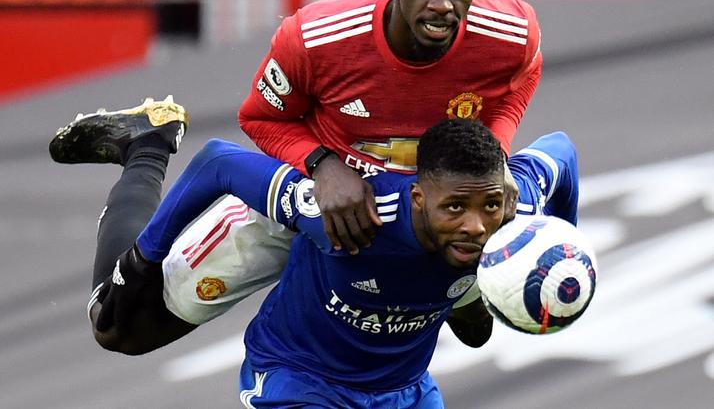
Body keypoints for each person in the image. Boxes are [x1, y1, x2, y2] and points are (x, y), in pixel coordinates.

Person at [50, 97, 577, 407]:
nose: (477, 226)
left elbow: (562, 150)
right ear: (419, 197)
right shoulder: (351, 218)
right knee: (117, 322)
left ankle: (460, 295)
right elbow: (219, 162)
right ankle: (146, 145)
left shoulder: (511, 204)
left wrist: (555, 238)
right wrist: (141, 260)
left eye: (490, 208)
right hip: (301, 374)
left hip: (401, 391)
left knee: (476, 327)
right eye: (456, 209)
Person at [237, 0, 543, 251]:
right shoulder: (315, 38)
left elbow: (525, 76)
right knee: (185, 291)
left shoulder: (512, 33)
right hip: (321, 202)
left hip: (439, 219)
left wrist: (496, 155)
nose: (441, 4)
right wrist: (323, 166)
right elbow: (260, 118)